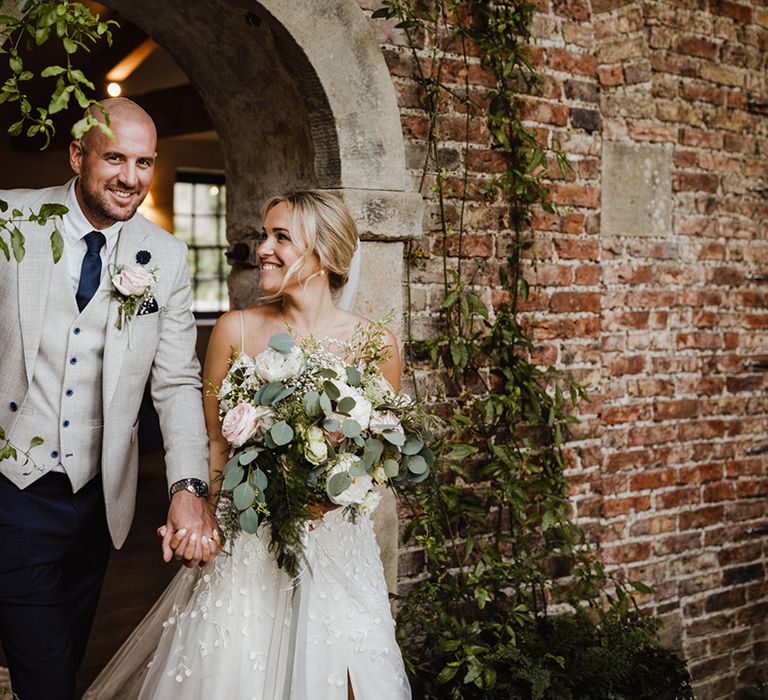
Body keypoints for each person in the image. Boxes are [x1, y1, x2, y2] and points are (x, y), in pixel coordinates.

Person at [84, 190, 411, 699]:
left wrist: (330, 489)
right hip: (252, 542)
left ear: (324, 253)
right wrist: (210, 514)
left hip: (338, 546)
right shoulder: (234, 331)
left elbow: (379, 455)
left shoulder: (376, 344)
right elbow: (216, 441)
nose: (262, 248)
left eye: (281, 237)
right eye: (264, 234)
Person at [0, 98, 219, 700]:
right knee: (45, 677)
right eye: (115, 158)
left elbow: (175, 383)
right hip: (12, 489)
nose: (131, 178)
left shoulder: (166, 257)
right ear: (78, 156)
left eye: (144, 161)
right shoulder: (10, 222)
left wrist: (188, 490)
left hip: (99, 499)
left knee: (63, 658)